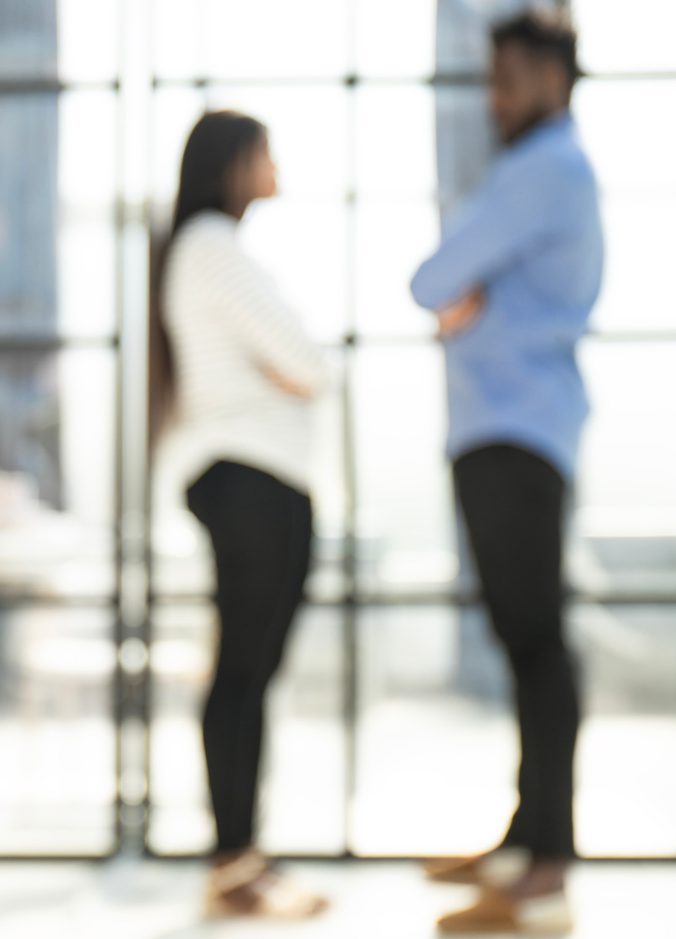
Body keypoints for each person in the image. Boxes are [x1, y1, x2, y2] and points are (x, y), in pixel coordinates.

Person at [411, 11, 604, 935]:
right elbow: (454, 282)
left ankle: (546, 867)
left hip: (518, 431)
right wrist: (471, 290)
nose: (494, 99)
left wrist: (465, 289)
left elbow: (431, 277)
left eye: (508, 81)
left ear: (553, 79)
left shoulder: (542, 171)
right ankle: (527, 839)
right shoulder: (540, 171)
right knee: (527, 640)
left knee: (536, 640)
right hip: (515, 427)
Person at [152, 110, 328, 920]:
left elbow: (297, 366)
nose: (276, 164)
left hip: (257, 476)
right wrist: (287, 369)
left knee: (248, 673)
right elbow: (306, 361)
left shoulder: (212, 252)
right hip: (250, 476)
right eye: (266, 151)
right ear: (232, 165)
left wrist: (288, 368)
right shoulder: (212, 250)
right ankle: (235, 861)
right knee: (241, 674)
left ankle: (242, 854)